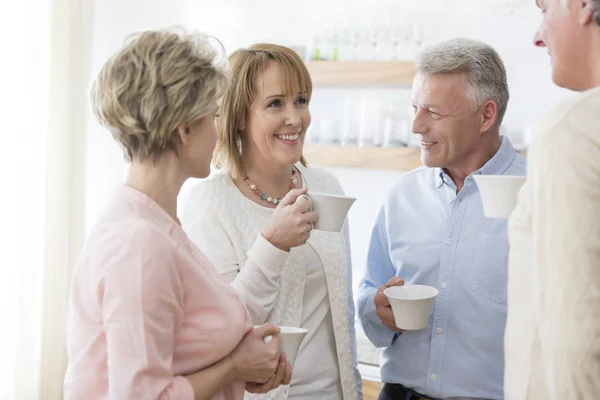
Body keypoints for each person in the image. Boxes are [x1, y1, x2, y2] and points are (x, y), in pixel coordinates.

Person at [64, 29, 292, 400]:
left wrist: (243, 365)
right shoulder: (138, 244)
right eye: (214, 117)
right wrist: (233, 367)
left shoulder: (155, 224)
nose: (220, 133)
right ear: (185, 128)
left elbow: (177, 360)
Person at [180, 43, 362, 400]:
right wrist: (272, 245)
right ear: (239, 117)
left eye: (301, 100)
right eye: (275, 103)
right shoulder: (209, 204)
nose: (295, 118)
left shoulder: (325, 186)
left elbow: (343, 307)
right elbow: (220, 332)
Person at [356, 38, 526, 400]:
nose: (416, 126)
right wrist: (376, 307)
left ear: (486, 115)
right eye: (415, 108)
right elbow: (370, 289)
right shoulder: (401, 197)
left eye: (433, 112)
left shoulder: (540, 195)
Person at [504, 0, 600, 398]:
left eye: (544, 9)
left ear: (581, 5)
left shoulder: (571, 127)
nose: (538, 36)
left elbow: (573, 338)